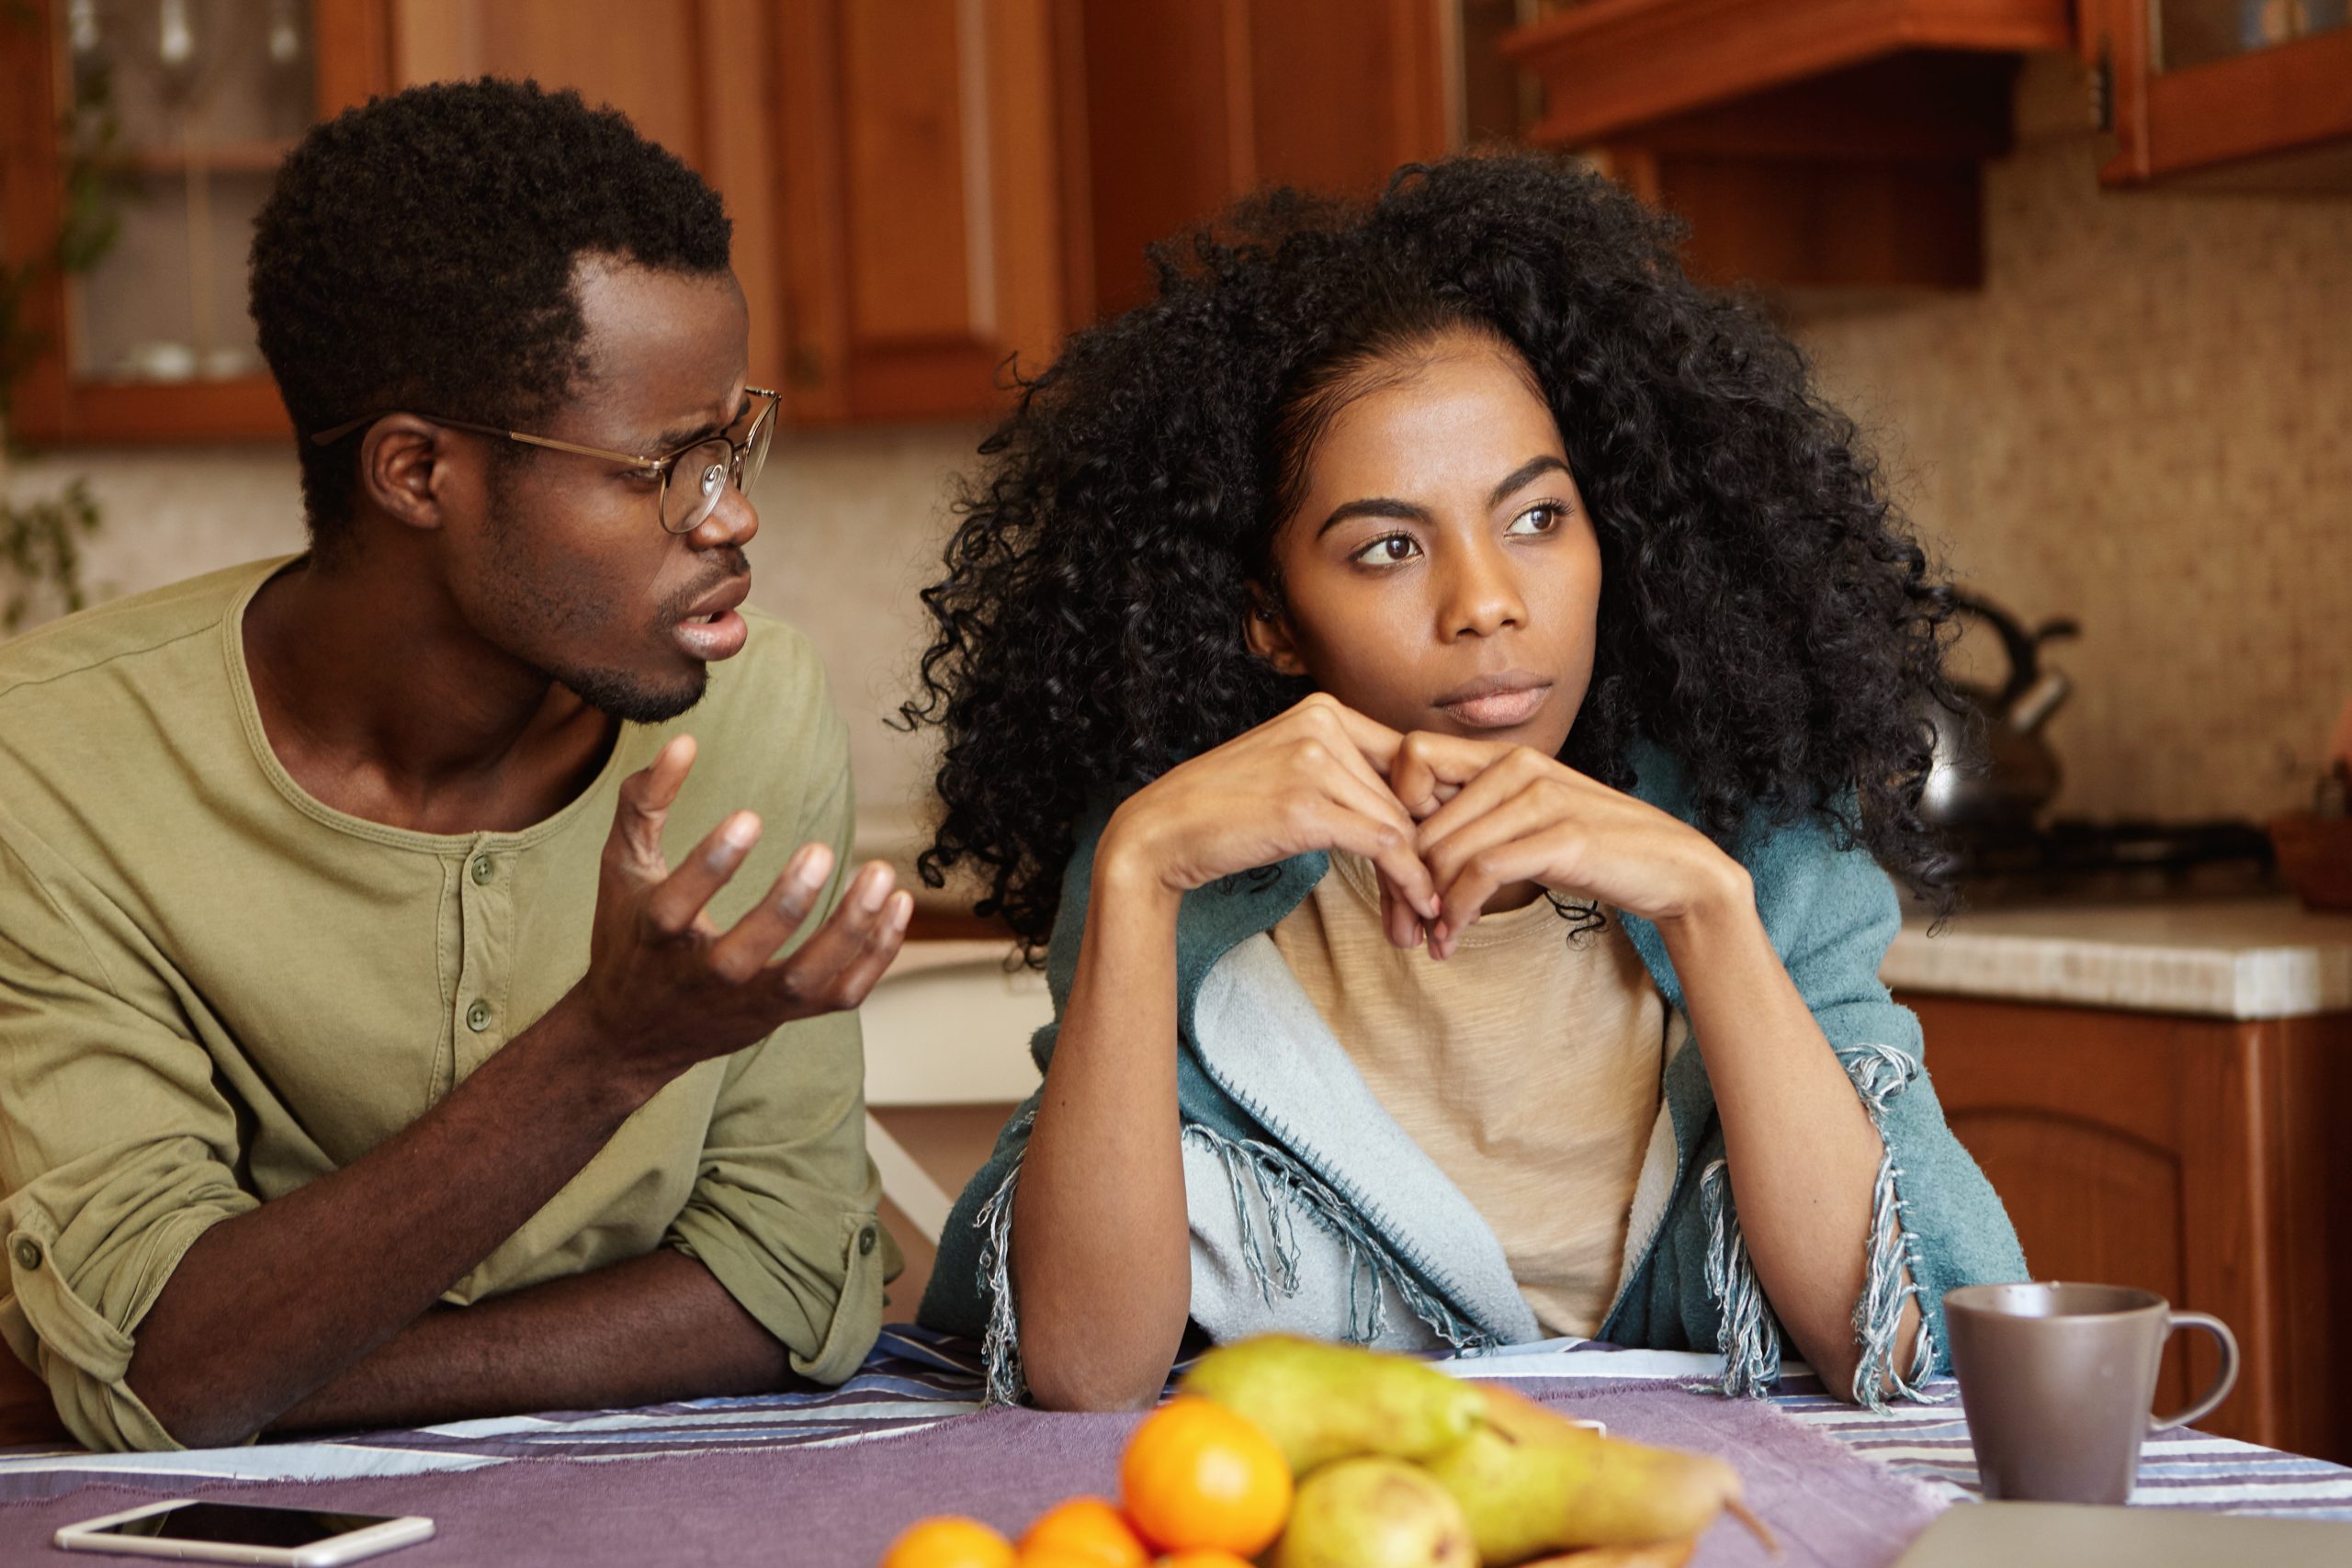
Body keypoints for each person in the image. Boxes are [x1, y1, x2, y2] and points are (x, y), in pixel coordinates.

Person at [906, 152, 2026, 1412]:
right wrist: (1134, 873)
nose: (1488, 603)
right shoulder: (1190, 864)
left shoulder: (1754, 826)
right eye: (1389, 547)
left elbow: (1913, 1337)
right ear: (1270, 618)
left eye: (1538, 518)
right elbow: (1082, 1372)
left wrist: (1709, 912)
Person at [0, 79, 912, 1454]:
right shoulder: (50, 767)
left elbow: (788, 1287)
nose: (734, 514)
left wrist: (224, 1373)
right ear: (418, 473)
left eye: (734, 441)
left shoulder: (751, 707)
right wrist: (606, 1054)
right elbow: (162, 1355)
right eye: (668, 462)